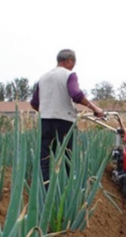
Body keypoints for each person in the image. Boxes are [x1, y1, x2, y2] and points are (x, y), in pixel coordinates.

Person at [31, 49, 104, 185]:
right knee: (66, 158)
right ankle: (66, 190)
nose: (73, 66)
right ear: (69, 60)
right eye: (73, 63)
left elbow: (34, 103)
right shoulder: (69, 75)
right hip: (64, 122)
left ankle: (45, 190)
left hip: (45, 122)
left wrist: (46, 110)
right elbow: (76, 94)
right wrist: (95, 109)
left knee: (45, 158)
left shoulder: (43, 77)